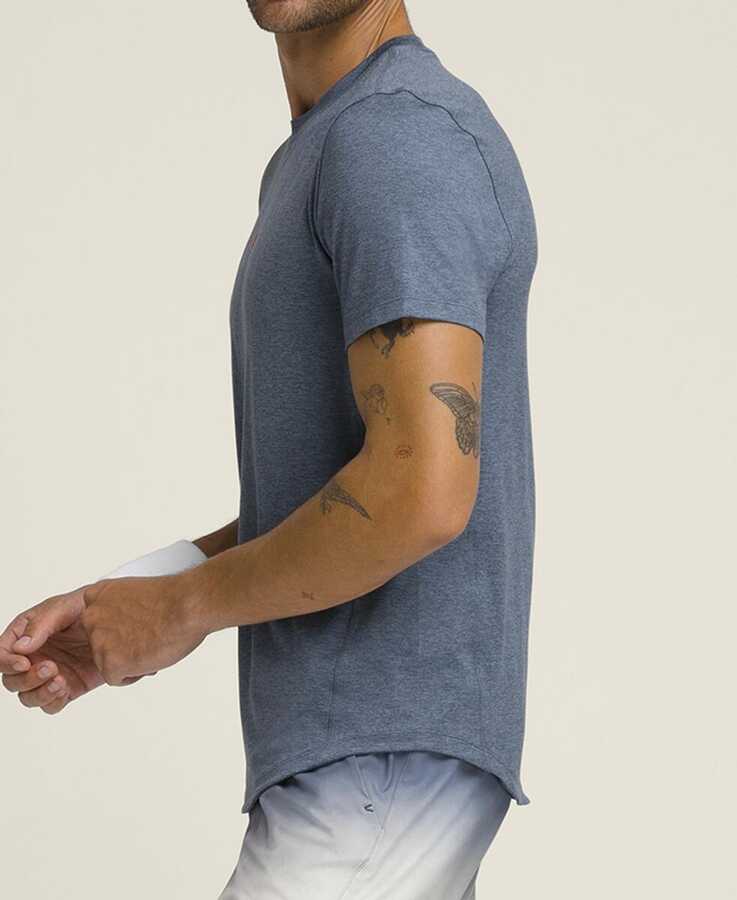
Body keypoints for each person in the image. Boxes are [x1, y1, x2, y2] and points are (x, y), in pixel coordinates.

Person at [0, 2, 538, 897]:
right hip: (374, 768)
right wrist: (141, 596)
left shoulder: (395, 136)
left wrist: (180, 609)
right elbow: (355, 478)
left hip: (378, 772)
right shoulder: (330, 147)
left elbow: (421, 491)